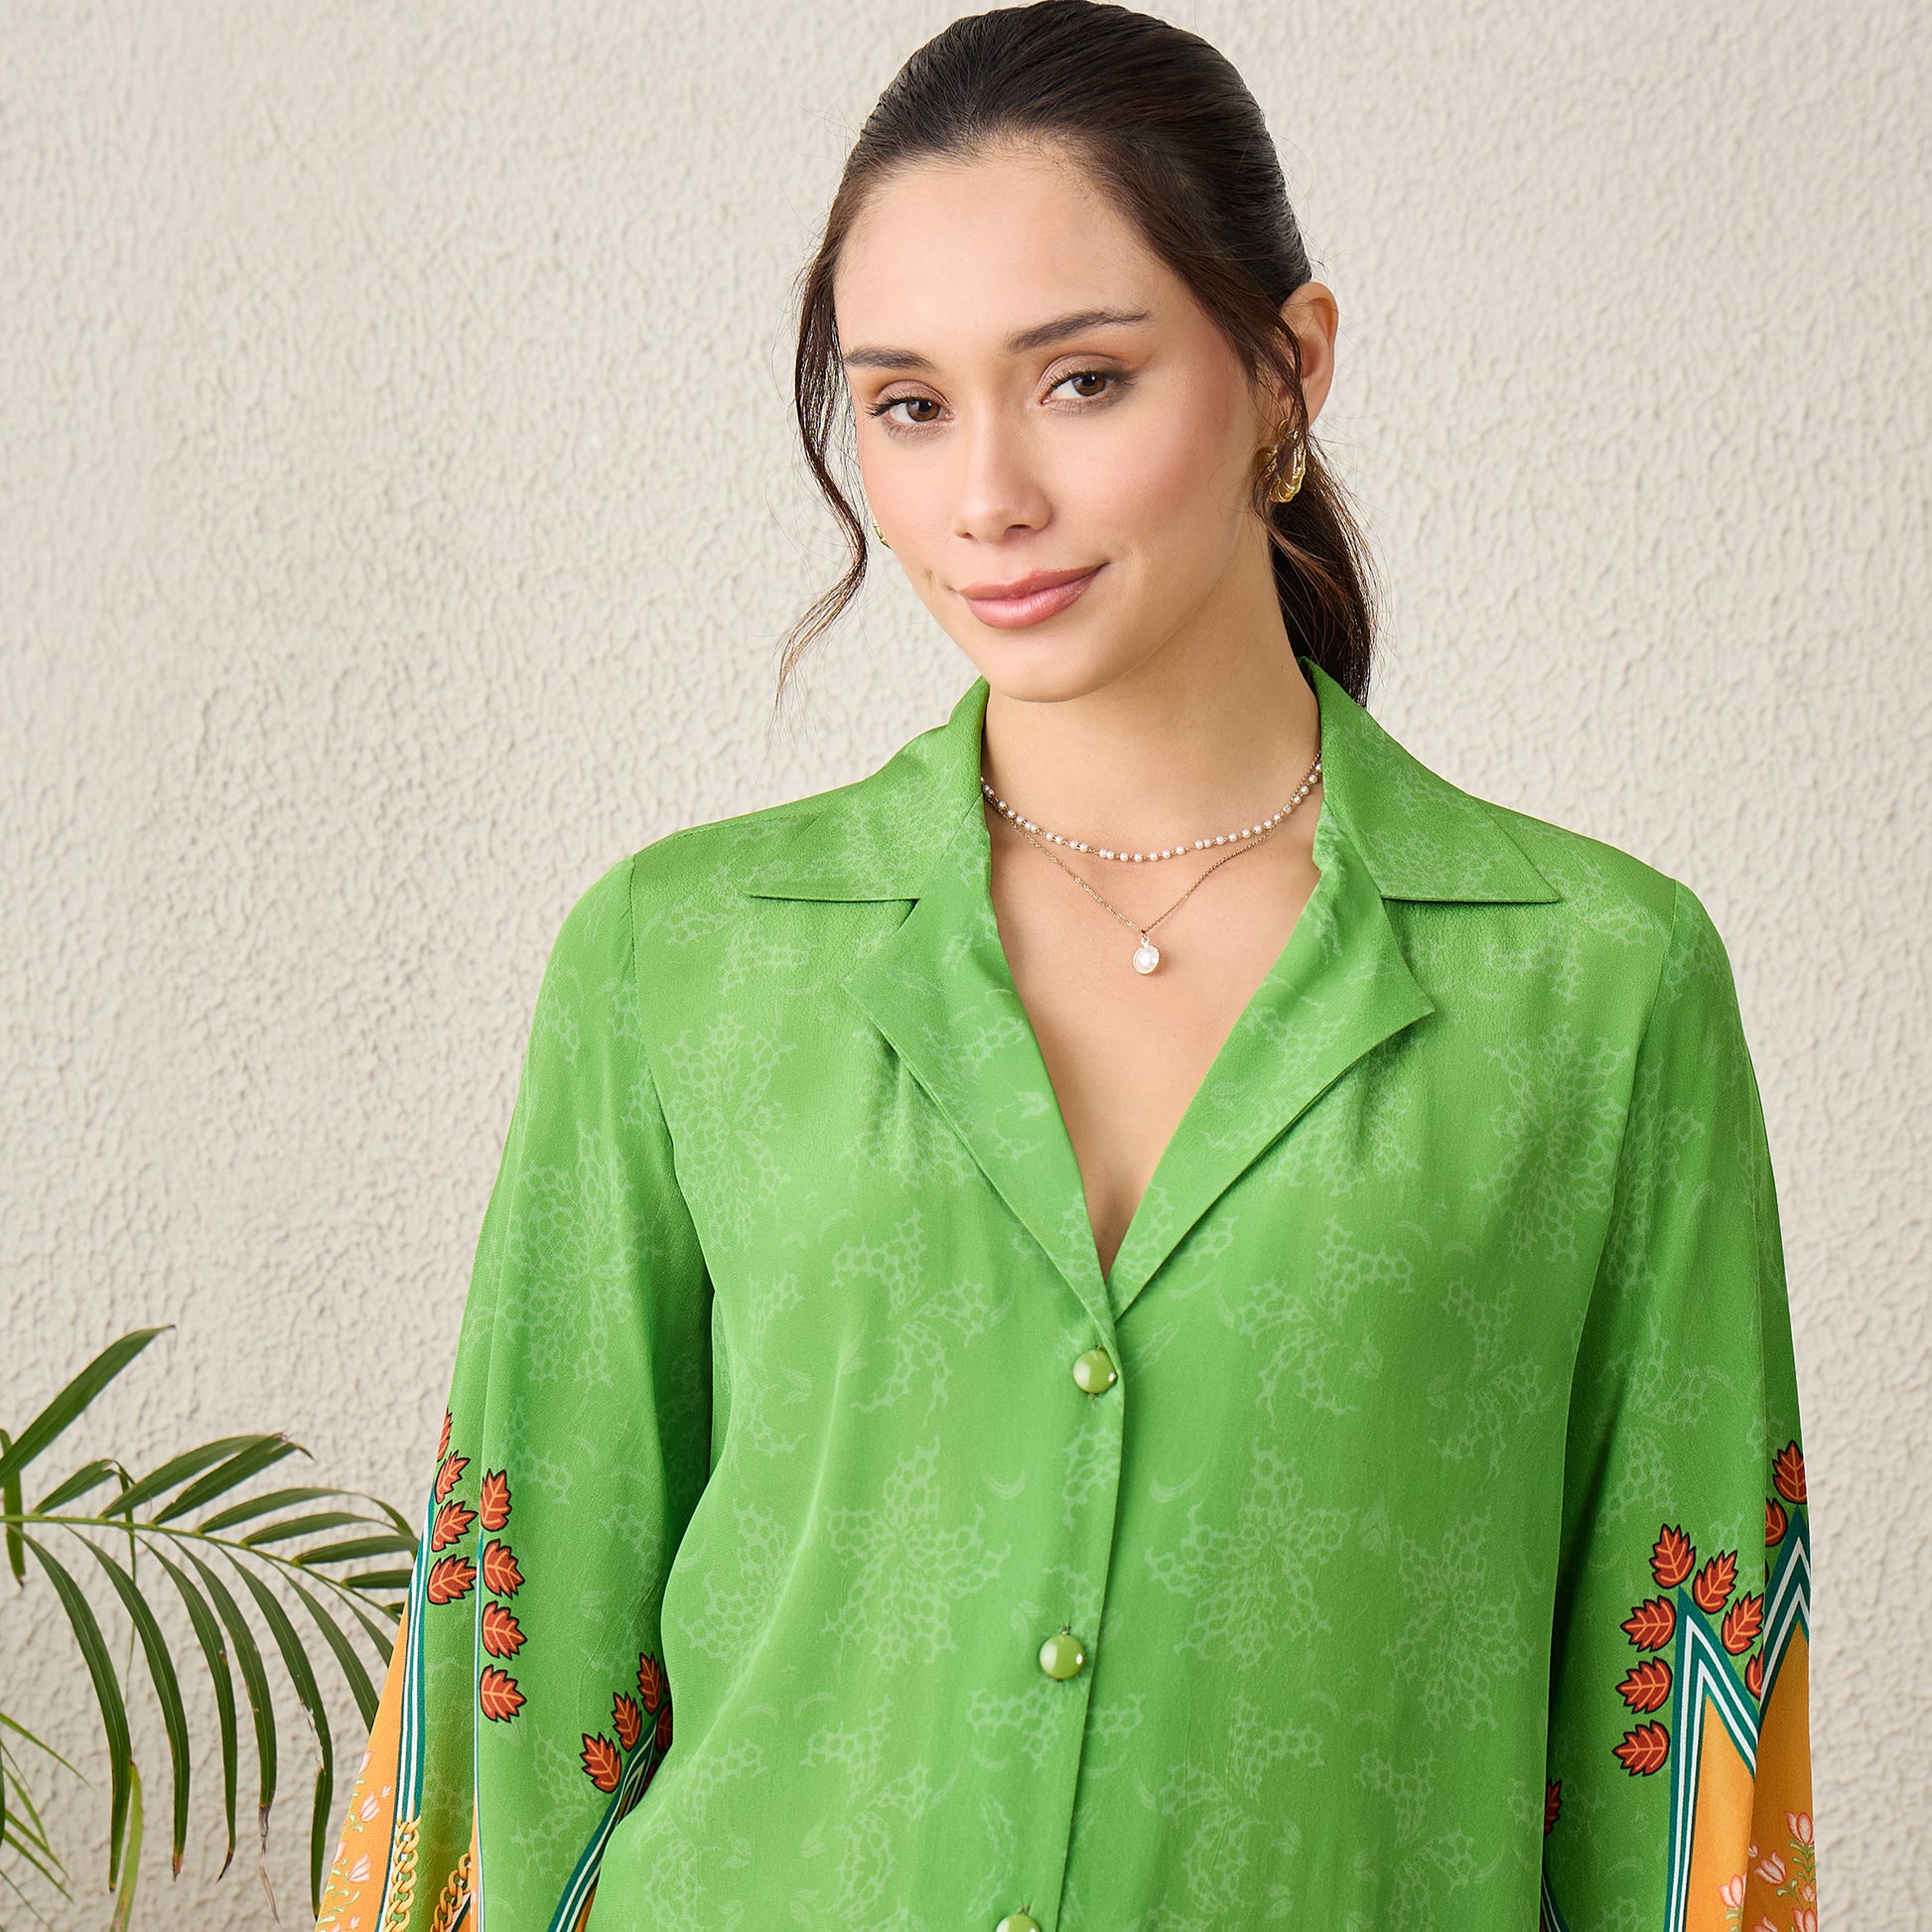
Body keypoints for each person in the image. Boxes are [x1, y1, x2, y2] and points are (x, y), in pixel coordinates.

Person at [316, 4, 1814, 1928]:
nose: (985, 497)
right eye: (908, 404)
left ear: (1286, 372)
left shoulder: (1595, 987)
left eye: (1082, 380)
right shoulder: (679, 964)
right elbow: (515, 1686)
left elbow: (1683, 1760)